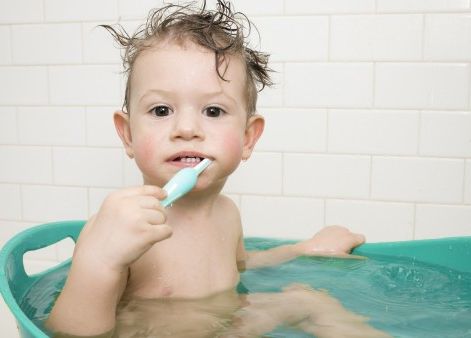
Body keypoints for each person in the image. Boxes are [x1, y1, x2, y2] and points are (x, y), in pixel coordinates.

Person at [46, 1, 387, 337]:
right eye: (161, 110)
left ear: (248, 137)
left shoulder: (226, 213)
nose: (187, 128)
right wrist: (99, 262)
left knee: (307, 299)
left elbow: (241, 265)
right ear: (128, 134)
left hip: (229, 326)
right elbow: (66, 332)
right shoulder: (119, 229)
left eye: (213, 111)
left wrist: (302, 250)